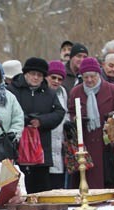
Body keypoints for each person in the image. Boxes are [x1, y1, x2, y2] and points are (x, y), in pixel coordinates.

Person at [8, 57, 65, 193]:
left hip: (41, 148)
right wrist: (26, 120)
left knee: (40, 190)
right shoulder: (12, 90)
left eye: (39, 75)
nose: (35, 78)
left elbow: (59, 112)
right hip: (17, 146)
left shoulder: (49, 93)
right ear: (25, 74)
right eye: (33, 74)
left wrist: (41, 121)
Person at [68, 57, 114, 189]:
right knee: (87, 178)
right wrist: (76, 119)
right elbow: (71, 113)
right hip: (85, 144)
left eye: (92, 76)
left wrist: (113, 118)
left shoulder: (112, 90)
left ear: (99, 74)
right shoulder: (76, 92)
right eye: (86, 77)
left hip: (106, 145)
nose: (89, 80)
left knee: (105, 179)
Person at [45, 61, 69, 189]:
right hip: (45, 146)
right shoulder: (42, 92)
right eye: (53, 77)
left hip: (59, 146)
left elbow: (64, 113)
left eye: (60, 79)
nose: (56, 81)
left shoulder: (62, 92)